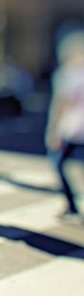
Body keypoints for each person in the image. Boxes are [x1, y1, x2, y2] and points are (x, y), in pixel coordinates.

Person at [46, 31, 84, 218]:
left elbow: (61, 104)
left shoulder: (67, 74)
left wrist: (53, 130)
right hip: (75, 128)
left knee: (58, 162)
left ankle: (71, 205)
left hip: (72, 128)